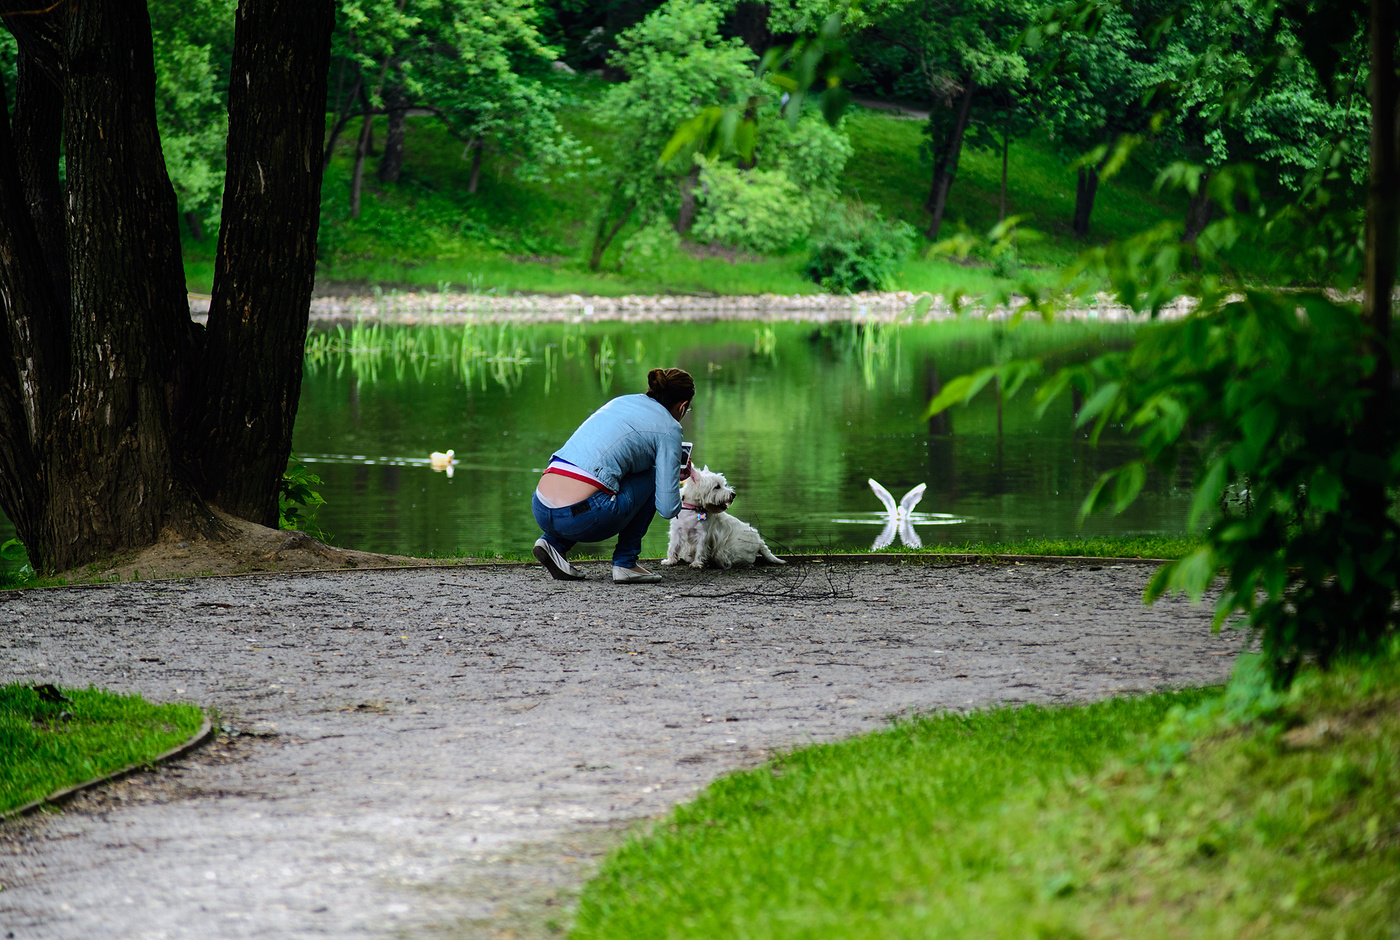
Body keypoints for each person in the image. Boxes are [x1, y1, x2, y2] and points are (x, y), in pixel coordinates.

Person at [532, 367, 695, 584]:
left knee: (609, 477)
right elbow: (667, 508)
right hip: (581, 516)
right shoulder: (669, 427)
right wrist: (670, 476)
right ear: (682, 406)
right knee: (654, 474)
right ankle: (626, 563)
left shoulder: (622, 402)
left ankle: (553, 543)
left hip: (541, 505)